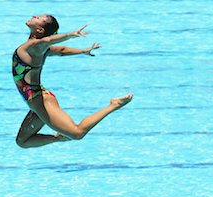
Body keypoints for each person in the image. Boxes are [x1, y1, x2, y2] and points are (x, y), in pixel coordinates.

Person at [12, 14, 133, 148]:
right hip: (36, 101)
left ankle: (114, 105)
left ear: (40, 30)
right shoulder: (39, 49)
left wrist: (69, 35)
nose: (34, 16)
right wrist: (82, 51)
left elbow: (49, 40)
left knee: (77, 133)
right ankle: (59, 138)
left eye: (38, 18)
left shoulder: (35, 46)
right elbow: (62, 50)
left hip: (41, 101)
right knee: (22, 141)